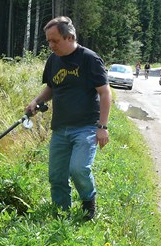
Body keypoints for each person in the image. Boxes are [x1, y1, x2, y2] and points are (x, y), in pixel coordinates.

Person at [26, 16, 112, 220]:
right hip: (60, 128)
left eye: (54, 40)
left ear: (70, 37)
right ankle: (61, 213)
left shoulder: (89, 59)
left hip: (86, 127)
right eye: (48, 40)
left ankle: (88, 201)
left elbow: (105, 92)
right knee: (56, 176)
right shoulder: (53, 60)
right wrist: (36, 101)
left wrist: (103, 126)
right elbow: (51, 87)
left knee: (79, 169)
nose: (50, 45)